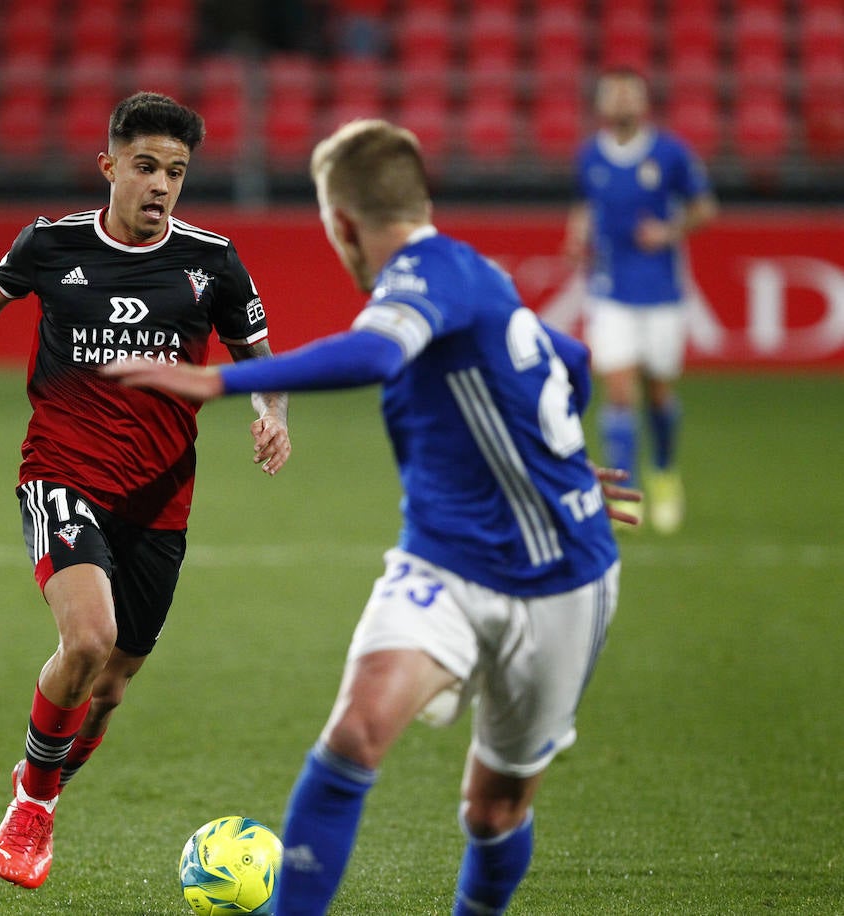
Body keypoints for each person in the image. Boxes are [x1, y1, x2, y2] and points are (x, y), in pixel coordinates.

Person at [106, 119, 639, 915]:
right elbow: (571, 361)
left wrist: (216, 382)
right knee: (355, 733)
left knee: (493, 810)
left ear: (343, 223)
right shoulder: (471, 271)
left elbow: (376, 355)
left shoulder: (427, 278)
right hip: (443, 562)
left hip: (560, 580)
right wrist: (551, 460)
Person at [0, 92, 291, 890]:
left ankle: (41, 775)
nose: (160, 185)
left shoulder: (213, 261)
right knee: (87, 641)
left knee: (108, 690)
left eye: (175, 171)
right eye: (145, 166)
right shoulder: (51, 243)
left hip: (159, 500)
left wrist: (271, 412)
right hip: (62, 474)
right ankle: (34, 804)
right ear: (109, 166)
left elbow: (259, 354)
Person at [563, 67, 717, 533]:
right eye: (613, 94)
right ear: (600, 104)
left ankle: (665, 472)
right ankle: (624, 492)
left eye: (629, 94)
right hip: (610, 290)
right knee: (619, 391)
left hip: (662, 291)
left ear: (644, 102)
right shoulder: (589, 155)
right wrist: (577, 234)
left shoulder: (669, 153)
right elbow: (585, 204)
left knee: (658, 393)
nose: (621, 102)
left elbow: (705, 208)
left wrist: (668, 232)